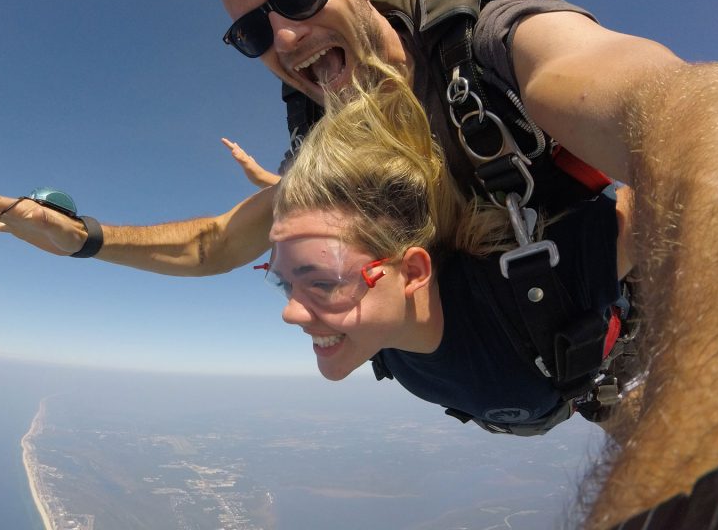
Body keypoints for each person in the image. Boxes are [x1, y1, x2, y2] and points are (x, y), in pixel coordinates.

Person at [0, 0, 718, 524]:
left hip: (598, 342)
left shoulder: (497, 47)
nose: (287, 39)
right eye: (252, 33)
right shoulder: (321, 157)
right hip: (516, 369)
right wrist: (86, 239)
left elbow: (681, 118)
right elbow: (211, 246)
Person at [262, 56, 632, 437]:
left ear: (412, 272)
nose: (291, 313)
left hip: (619, 372)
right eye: (285, 283)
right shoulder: (376, 329)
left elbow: (680, 185)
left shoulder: (538, 283)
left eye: (323, 284)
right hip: (566, 392)